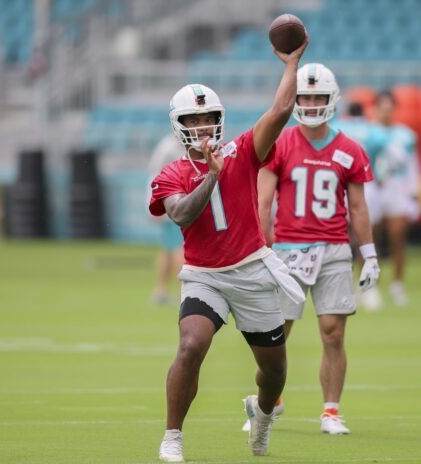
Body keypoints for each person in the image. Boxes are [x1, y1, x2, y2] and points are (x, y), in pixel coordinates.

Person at [149, 37, 308, 462]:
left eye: (208, 118)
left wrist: (291, 64)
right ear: (180, 125)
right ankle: (173, 436)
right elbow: (181, 214)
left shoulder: (241, 151)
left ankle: (263, 412)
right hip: (204, 276)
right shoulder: (173, 172)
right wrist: (211, 177)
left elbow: (280, 112)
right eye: (193, 120)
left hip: (252, 269)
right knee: (191, 345)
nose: (202, 127)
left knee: (274, 373)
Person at [254, 63, 379, 435]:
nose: (309, 103)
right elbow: (262, 202)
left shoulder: (349, 149)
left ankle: (330, 410)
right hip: (289, 248)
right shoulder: (281, 143)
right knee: (275, 336)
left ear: (331, 100)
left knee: (333, 332)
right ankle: (268, 402)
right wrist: (262, 248)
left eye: (316, 97)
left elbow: (358, 207)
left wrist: (369, 253)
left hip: (334, 249)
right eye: (304, 96)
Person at [331, 101, 394, 311]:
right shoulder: (375, 131)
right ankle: (367, 286)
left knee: (343, 235)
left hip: (338, 183)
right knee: (365, 235)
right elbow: (384, 159)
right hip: (367, 183)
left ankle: (345, 283)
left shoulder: (338, 127)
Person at [368, 92, 420, 307]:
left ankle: (397, 285)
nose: (386, 111)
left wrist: (414, 194)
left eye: (390, 107)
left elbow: (412, 166)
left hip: (396, 188)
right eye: (383, 107)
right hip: (372, 186)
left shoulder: (405, 135)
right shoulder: (368, 133)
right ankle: (370, 286)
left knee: (397, 236)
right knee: (370, 239)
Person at [147, 135, 185, 304]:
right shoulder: (170, 148)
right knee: (179, 249)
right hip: (174, 203)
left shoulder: (167, 146)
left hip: (169, 202)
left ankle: (161, 290)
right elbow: (157, 175)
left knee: (168, 249)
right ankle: (183, 291)